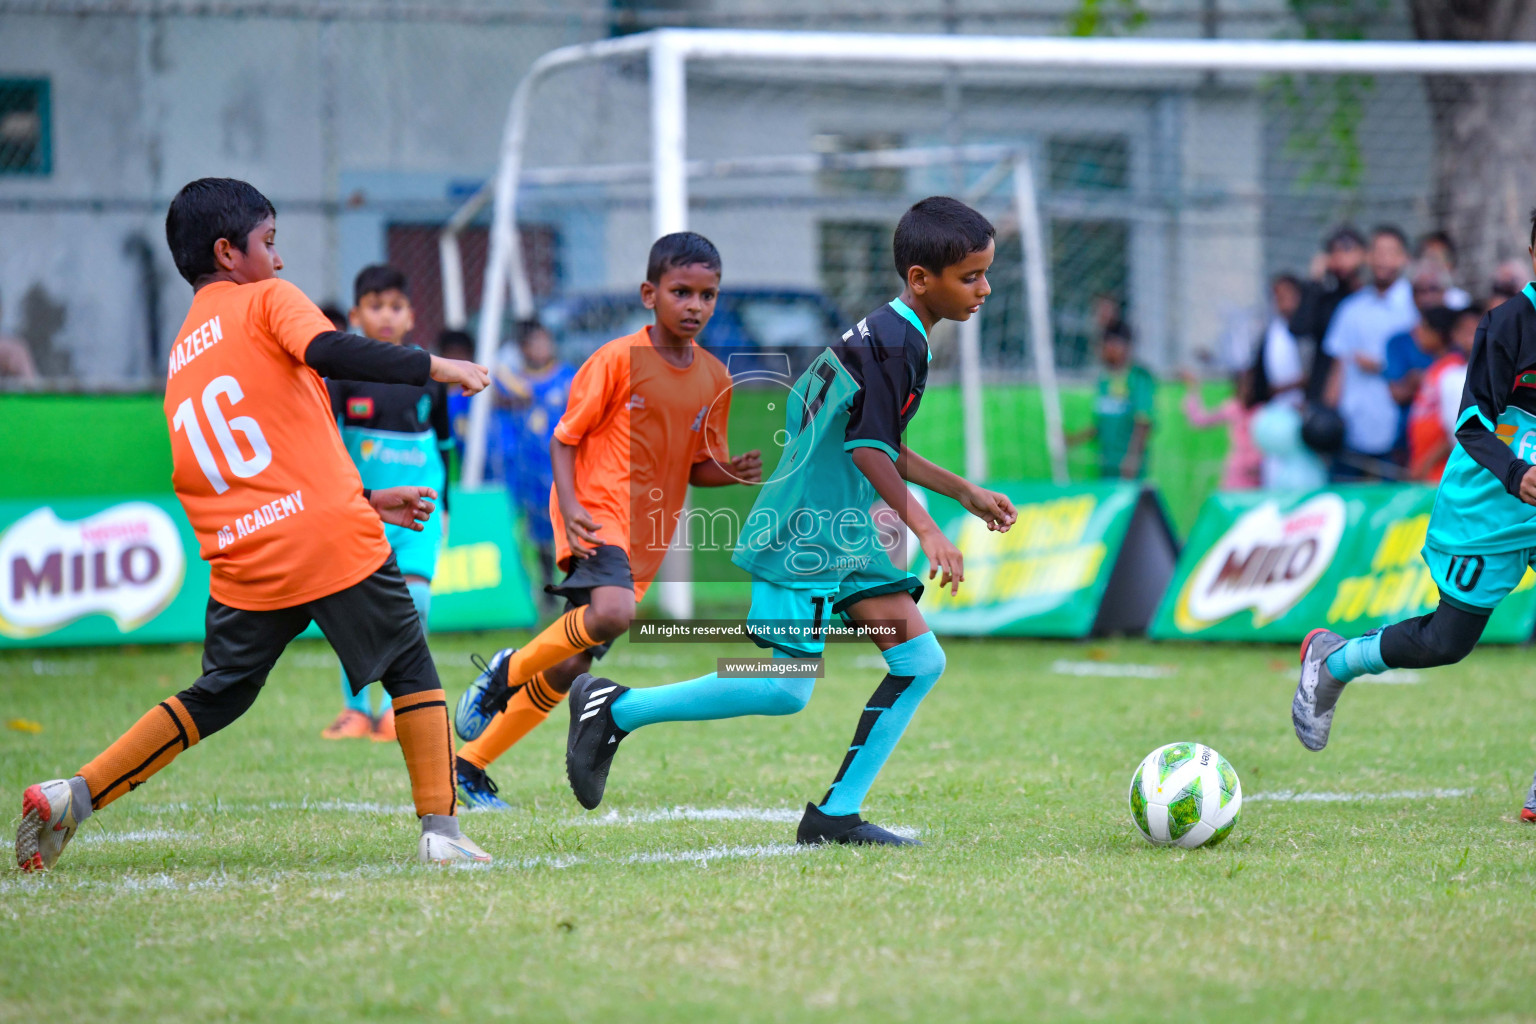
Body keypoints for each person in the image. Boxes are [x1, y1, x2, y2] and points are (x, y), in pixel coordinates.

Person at [13, 178, 494, 871]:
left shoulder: (182, 355)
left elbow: (246, 458)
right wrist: (437, 365)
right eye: (269, 243)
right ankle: (443, 835)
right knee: (411, 668)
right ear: (228, 252)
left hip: (244, 552)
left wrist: (365, 499)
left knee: (219, 694)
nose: (279, 260)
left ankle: (74, 796)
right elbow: (331, 353)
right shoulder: (266, 299)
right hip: (323, 536)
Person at [561, 196, 1017, 845]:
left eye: (984, 273)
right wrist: (929, 528)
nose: (984, 288)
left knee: (918, 660)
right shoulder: (895, 345)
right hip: (804, 530)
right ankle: (618, 707)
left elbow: (871, 440)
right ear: (922, 279)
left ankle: (835, 816)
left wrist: (963, 491)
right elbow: (868, 448)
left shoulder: (890, 335)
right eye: (971, 276)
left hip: (844, 528)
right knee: (784, 685)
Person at [449, 232, 763, 811]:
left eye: (708, 295)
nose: (695, 305)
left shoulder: (717, 377)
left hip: (647, 535)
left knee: (572, 662)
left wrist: (736, 471)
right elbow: (565, 440)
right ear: (650, 293)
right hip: (596, 514)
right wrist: (570, 508)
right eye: (681, 292)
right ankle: (503, 671)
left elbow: (697, 468)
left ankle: (469, 767)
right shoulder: (616, 360)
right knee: (612, 611)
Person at [1290, 210, 1536, 825]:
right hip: (1490, 505)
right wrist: (1516, 473)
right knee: (1447, 642)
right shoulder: (1508, 325)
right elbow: (1473, 423)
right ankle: (1334, 661)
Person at [321, 265, 453, 743]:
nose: (386, 316)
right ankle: (356, 710)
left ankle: (402, 708)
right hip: (360, 513)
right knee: (355, 613)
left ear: (411, 316)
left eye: (395, 307)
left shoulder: (430, 376)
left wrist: (448, 507)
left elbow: (444, 447)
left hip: (417, 517)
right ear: (356, 315)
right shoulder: (341, 377)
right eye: (375, 307)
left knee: (415, 601)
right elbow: (328, 446)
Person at [1322, 226, 1417, 479]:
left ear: (1403, 258)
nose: (1383, 259)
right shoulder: (1351, 308)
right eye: (1377, 252)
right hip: (1352, 427)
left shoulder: (1415, 306)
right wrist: (1328, 414)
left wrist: (1381, 366)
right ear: (1368, 257)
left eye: (1391, 252)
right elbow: (1339, 365)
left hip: (1398, 431)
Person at [495, 318, 575, 609]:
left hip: (563, 468)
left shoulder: (568, 378)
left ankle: (575, 586)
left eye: (545, 340)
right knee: (537, 532)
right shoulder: (513, 383)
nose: (541, 347)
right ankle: (542, 589)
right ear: (523, 348)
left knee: (569, 528)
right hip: (527, 469)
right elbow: (495, 391)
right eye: (534, 342)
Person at [1383, 263, 1452, 463]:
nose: (1426, 297)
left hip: (1452, 445)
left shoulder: (1463, 341)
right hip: (1409, 443)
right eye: (1419, 291)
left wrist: (1421, 380)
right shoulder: (1399, 341)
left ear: (1445, 293)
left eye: (1433, 289)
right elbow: (1397, 393)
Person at [1069, 320, 1155, 479]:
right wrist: (1074, 439)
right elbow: (1102, 425)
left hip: (1129, 470)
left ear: (1121, 346)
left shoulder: (1139, 378)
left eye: (1105, 345)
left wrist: (1132, 458)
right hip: (1107, 467)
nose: (1101, 351)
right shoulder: (1104, 381)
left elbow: (1143, 422)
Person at [1292, 226, 1366, 403]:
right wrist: (1315, 280)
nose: (1340, 258)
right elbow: (1299, 328)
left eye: (1347, 250)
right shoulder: (1324, 298)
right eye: (1334, 252)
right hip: (1325, 394)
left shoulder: (1374, 297)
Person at [1403, 306, 1463, 483]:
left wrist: (1427, 463)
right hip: (1427, 472)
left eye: (1423, 327)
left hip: (1441, 473)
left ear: (1438, 333)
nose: (1416, 333)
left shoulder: (1454, 371)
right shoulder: (1437, 368)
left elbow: (1455, 425)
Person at [439, 327, 504, 485]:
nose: (456, 360)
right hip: (451, 461)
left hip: (488, 462)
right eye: (451, 354)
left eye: (461, 354)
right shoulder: (436, 393)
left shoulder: (484, 390)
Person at [1181, 370, 1260, 490]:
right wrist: (1193, 390)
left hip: (1260, 471)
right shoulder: (1233, 408)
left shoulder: (1262, 410)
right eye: (1244, 385)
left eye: (1251, 386)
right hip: (1238, 472)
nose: (1247, 390)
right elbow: (1200, 420)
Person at [1414, 231, 1471, 310]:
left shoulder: (1461, 303)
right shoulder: (1406, 299)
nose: (1430, 266)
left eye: (1436, 259)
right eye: (1426, 258)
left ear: (1450, 265)